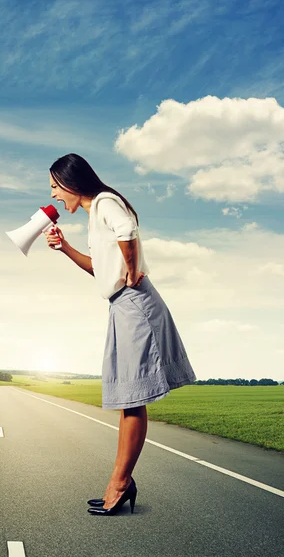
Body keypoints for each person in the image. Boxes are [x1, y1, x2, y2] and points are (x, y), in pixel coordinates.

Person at [45, 153, 196, 516]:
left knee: (132, 398)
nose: (52, 195)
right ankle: (120, 482)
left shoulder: (105, 202)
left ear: (71, 183)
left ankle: (119, 483)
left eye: (54, 187)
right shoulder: (94, 215)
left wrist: (131, 271)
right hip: (121, 305)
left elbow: (128, 231)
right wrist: (65, 248)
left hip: (133, 303)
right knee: (130, 397)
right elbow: (100, 268)